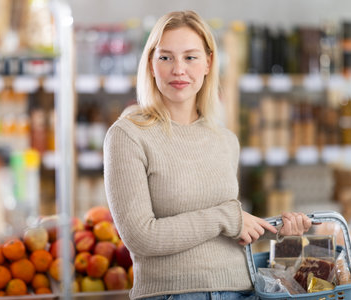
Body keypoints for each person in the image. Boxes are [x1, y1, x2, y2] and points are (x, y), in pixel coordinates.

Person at [103, 10, 312, 300]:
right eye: (166, 57)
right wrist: (225, 217)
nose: (179, 69)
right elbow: (141, 237)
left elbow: (228, 232)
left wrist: (284, 235)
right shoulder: (128, 135)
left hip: (243, 290)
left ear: (208, 63)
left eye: (190, 57)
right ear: (151, 64)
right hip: (173, 294)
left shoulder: (226, 140)